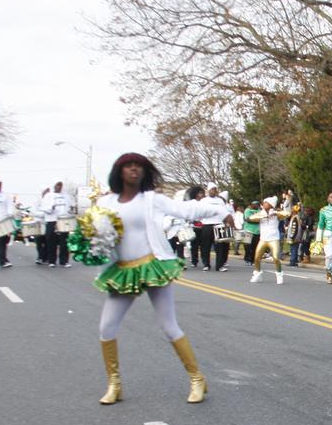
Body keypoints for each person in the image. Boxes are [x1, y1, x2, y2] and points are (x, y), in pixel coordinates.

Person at [93, 153, 234, 404]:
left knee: (169, 326)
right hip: (124, 271)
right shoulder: (106, 202)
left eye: (139, 166)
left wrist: (222, 211)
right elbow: (97, 235)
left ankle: (197, 380)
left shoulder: (152, 200)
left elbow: (186, 209)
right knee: (106, 327)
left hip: (154, 266)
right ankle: (114, 384)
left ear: (145, 172)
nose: (134, 170)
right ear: (119, 172)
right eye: (128, 166)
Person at [249, 196, 289, 284]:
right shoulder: (260, 213)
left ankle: (279, 275)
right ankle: (257, 274)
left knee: (275, 257)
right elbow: (251, 218)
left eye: (266, 203)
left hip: (273, 239)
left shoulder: (276, 214)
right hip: (263, 239)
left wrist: (275, 213)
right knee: (256, 258)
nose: (263, 204)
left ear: (271, 205)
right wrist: (262, 217)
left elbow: (287, 213)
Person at [198, 183, 231, 271]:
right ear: (208, 190)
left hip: (218, 225)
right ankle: (206, 264)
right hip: (207, 225)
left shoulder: (220, 201)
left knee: (220, 246)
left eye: (215, 189)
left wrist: (226, 223)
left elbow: (224, 212)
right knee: (205, 246)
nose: (214, 191)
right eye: (212, 189)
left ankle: (219, 266)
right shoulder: (203, 201)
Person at [41, 181, 74, 267]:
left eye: (60, 185)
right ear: (54, 186)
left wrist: (71, 210)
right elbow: (44, 208)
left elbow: (70, 207)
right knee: (51, 242)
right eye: (57, 185)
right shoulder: (48, 196)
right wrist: (50, 208)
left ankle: (64, 261)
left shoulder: (66, 196)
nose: (59, 187)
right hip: (52, 221)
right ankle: (52, 261)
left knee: (64, 242)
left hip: (63, 221)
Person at [242, 199, 261, 264]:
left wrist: (256, 220)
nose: (257, 206)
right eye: (256, 204)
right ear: (252, 205)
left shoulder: (259, 211)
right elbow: (248, 219)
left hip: (257, 231)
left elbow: (261, 219)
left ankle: (252, 260)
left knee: (255, 246)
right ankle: (247, 258)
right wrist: (256, 220)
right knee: (247, 247)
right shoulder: (247, 210)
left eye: (258, 205)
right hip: (248, 230)